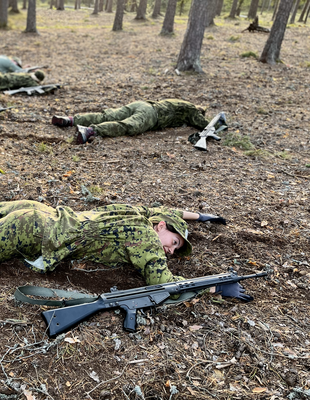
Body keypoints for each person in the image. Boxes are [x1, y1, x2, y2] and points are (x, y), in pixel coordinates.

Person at [0, 200, 251, 301]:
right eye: (174, 242)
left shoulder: (136, 213)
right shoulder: (146, 239)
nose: (171, 252)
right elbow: (164, 285)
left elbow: (165, 209)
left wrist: (201, 217)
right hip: (33, 230)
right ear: (160, 226)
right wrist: (215, 287)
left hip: (38, 212)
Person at [51, 99, 227, 145]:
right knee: (129, 126)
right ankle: (90, 131)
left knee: (107, 115)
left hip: (141, 104)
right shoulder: (191, 110)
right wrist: (219, 123)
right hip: (151, 114)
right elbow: (204, 125)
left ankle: (70, 120)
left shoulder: (179, 102)